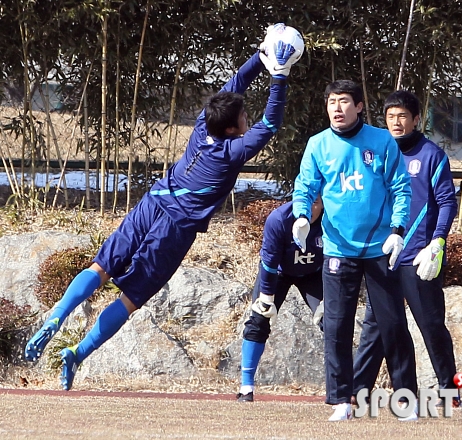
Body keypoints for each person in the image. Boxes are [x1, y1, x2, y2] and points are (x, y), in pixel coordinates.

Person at [24, 24, 303, 391]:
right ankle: (78, 353)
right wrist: (279, 77)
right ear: (235, 129)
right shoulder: (232, 153)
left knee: (101, 266)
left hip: (150, 203)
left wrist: (259, 56)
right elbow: (270, 123)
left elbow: (235, 82)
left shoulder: (203, 125)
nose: (247, 121)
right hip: (174, 228)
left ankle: (59, 314)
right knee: (130, 298)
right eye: (243, 120)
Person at [291, 80, 418, 422]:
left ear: (359, 106)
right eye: (332, 101)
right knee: (336, 325)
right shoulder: (317, 145)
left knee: (392, 325)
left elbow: (401, 189)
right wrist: (301, 216)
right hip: (337, 248)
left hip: (379, 247)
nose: (337, 108)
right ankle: (341, 401)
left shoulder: (382, 142)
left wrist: (398, 230)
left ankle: (406, 400)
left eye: (344, 101)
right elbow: (305, 185)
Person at [352, 90, 460, 408]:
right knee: (375, 325)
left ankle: (449, 389)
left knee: (430, 325)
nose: (396, 122)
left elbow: (446, 203)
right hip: (383, 255)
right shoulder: (377, 152)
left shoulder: (431, 155)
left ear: (416, 119)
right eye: (390, 117)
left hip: (418, 257)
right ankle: (357, 390)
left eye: (402, 116)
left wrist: (437, 242)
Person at [237, 196, 324, 402]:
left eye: (316, 203)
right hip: (279, 272)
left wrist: (330, 295)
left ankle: (341, 389)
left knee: (332, 321)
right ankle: (246, 386)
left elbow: (336, 259)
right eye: (306, 201)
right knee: (258, 320)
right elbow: (268, 262)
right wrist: (266, 297)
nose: (311, 208)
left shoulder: (331, 218)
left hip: (315, 274)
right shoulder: (278, 219)